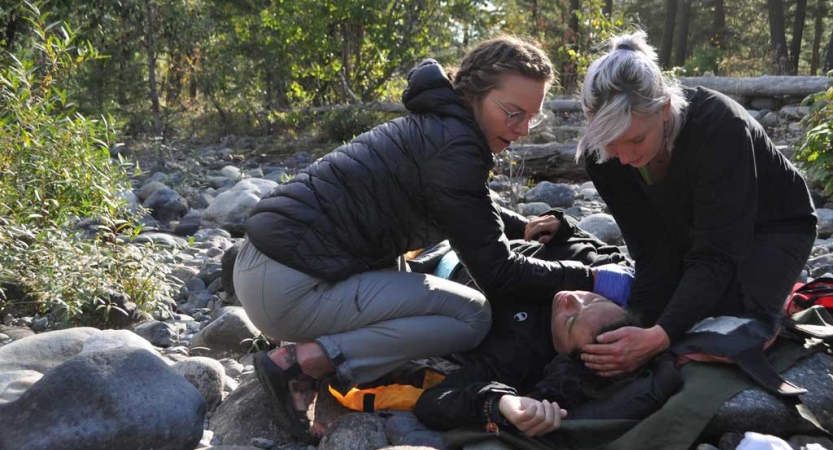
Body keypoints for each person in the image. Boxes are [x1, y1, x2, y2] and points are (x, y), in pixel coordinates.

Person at [233, 35, 634, 442]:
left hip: (271, 267)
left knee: (407, 276)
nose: (524, 129)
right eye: (513, 113)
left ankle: (323, 348)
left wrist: (522, 225)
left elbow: (465, 205)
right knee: (471, 315)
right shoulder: (455, 148)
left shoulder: (441, 127)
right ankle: (301, 364)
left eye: (533, 116)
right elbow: (497, 273)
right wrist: (594, 279)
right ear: (475, 94)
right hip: (289, 286)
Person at [570, 30, 817, 377]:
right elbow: (651, 249)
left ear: (665, 109)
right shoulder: (603, 156)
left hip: (773, 226)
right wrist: (639, 323)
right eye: (611, 144)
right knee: (664, 310)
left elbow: (717, 252)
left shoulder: (720, 126)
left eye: (636, 139)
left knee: (729, 325)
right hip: (689, 229)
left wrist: (658, 337)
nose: (625, 157)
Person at [413, 290, 681, 437]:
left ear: (562, 353)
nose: (571, 298)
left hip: (438, 276)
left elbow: (431, 402)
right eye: (596, 299)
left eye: (570, 320)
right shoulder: (588, 285)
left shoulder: (514, 357)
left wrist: (497, 403)